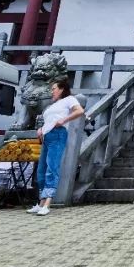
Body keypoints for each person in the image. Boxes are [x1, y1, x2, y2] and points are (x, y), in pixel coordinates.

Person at [28, 80, 85, 216]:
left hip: (58, 135)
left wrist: (64, 120)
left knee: (52, 167)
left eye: (54, 88)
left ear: (61, 89)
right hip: (47, 136)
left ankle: (47, 203)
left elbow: (80, 110)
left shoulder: (69, 99)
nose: (52, 91)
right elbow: (49, 121)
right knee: (41, 169)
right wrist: (41, 129)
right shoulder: (53, 105)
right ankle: (41, 202)